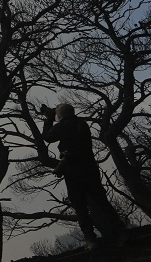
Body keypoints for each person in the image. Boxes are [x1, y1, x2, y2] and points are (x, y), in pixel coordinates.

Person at [40, 103, 125, 249]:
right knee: (101, 200)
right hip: (90, 167)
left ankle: (90, 239)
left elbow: (47, 137)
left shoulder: (64, 126)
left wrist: (48, 119)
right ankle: (121, 231)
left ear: (61, 115)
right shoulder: (82, 123)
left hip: (73, 170)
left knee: (80, 205)